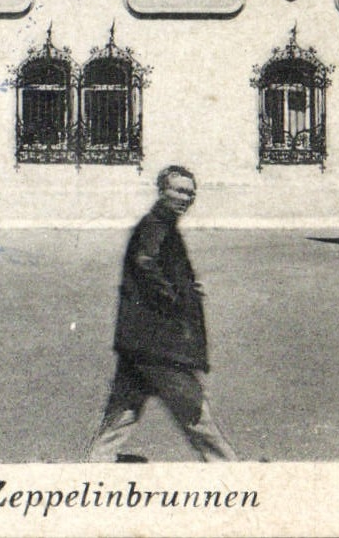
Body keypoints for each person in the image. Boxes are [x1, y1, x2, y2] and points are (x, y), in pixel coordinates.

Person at [88, 165, 236, 461]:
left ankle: (95, 466)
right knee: (194, 411)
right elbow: (145, 262)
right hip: (159, 342)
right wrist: (177, 298)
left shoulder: (161, 223)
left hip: (139, 341)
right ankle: (232, 472)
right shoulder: (156, 224)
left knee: (123, 411)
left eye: (191, 193)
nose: (186, 198)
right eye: (179, 190)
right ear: (162, 190)